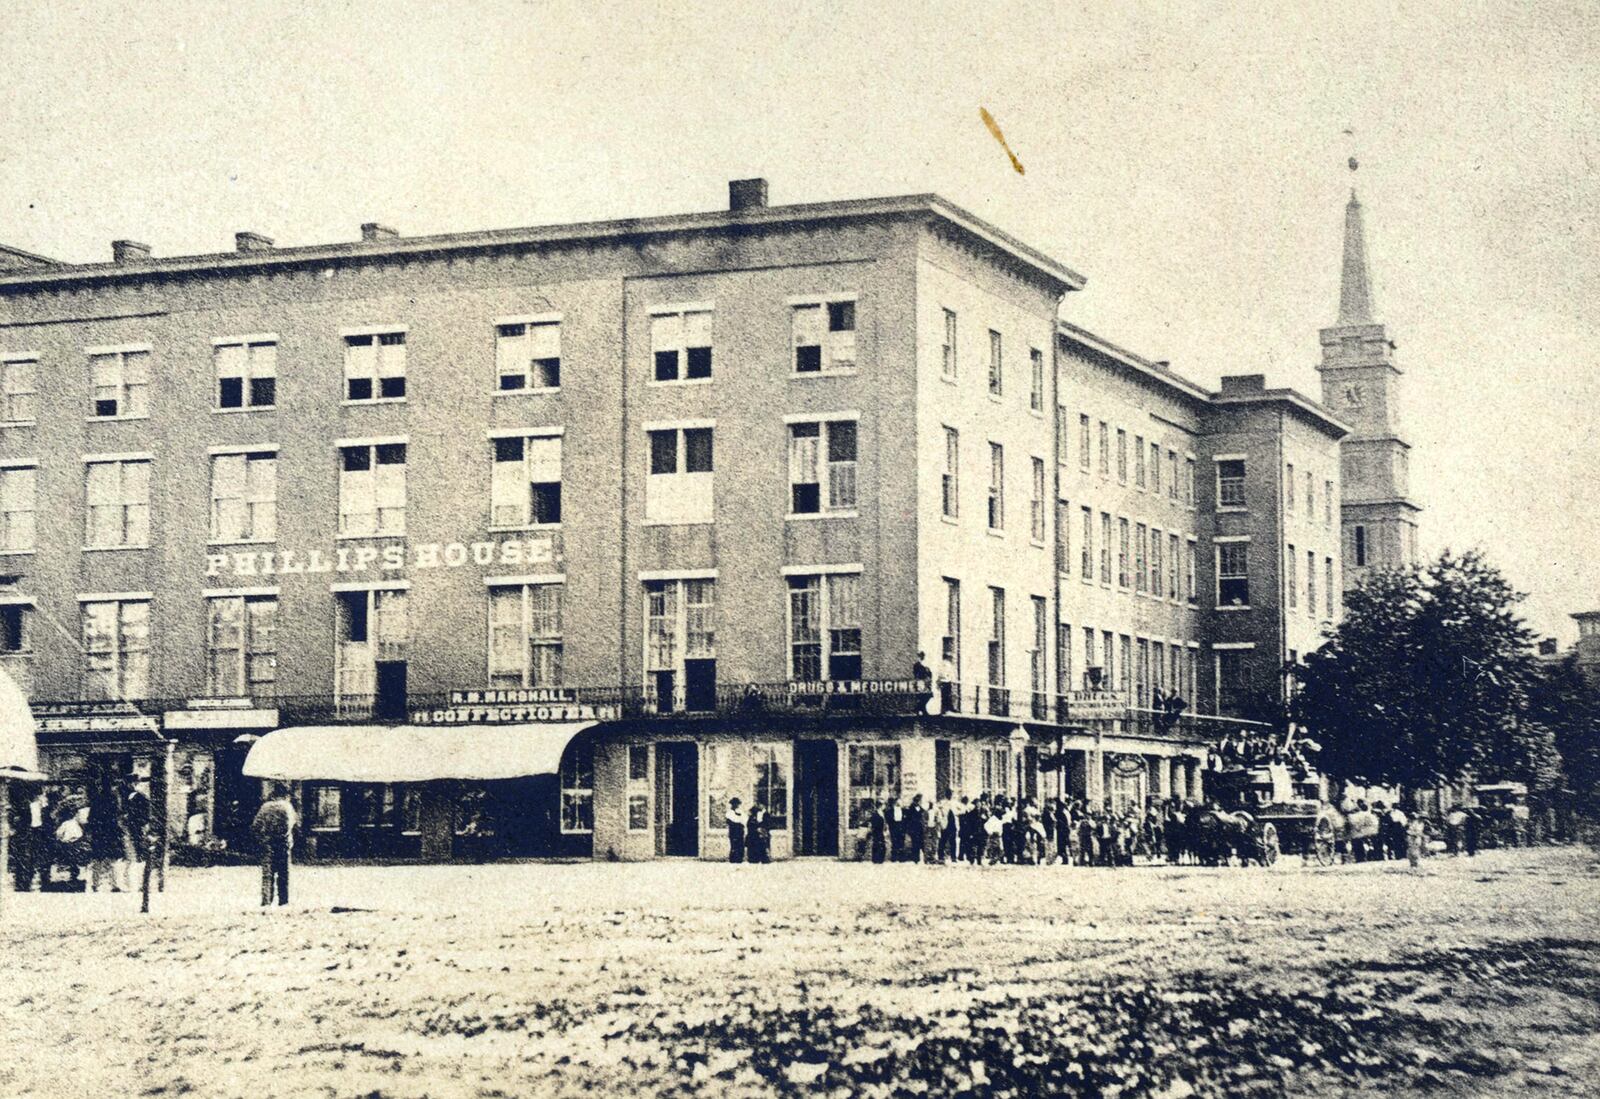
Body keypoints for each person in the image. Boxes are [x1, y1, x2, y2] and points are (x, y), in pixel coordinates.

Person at [251, 784, 297, 906]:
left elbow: (256, 825)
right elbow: (293, 824)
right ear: (285, 795)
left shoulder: (265, 807)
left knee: (267, 873)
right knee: (284, 873)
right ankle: (283, 901)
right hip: (284, 843)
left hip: (268, 843)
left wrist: (262, 837)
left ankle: (266, 901)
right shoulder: (287, 807)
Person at [87, 775, 129, 893]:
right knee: (114, 860)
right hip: (111, 833)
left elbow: (91, 818)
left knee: (97, 860)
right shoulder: (114, 799)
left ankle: (95, 884)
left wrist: (92, 831)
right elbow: (116, 817)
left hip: (98, 834)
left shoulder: (96, 799)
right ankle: (114, 884)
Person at [724, 797, 748, 864]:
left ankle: (740, 859)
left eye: (737, 804)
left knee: (740, 845)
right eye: (735, 804)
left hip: (740, 831)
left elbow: (745, 820)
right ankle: (734, 859)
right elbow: (731, 821)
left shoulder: (741, 812)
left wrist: (740, 821)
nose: (736, 805)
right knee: (734, 845)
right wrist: (739, 821)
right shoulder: (729, 813)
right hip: (734, 831)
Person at [906, 794, 926, 863]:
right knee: (915, 843)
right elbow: (908, 820)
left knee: (921, 842)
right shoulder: (911, 809)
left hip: (920, 829)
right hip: (914, 829)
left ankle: (923, 857)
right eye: (918, 800)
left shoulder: (921, 808)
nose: (919, 802)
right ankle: (915, 858)